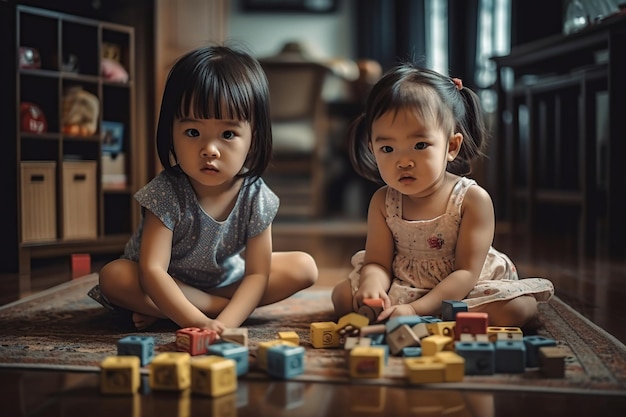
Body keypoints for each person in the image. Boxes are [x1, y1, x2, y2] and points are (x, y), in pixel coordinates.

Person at [90, 45, 318, 333]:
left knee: (304, 267)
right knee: (113, 276)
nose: (209, 150)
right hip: (160, 284)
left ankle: (167, 312)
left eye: (228, 134)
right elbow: (152, 272)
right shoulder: (167, 191)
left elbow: (257, 275)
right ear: (170, 131)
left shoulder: (255, 195)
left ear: (253, 137)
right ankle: (192, 307)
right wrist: (200, 322)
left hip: (223, 280)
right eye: (193, 132)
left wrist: (225, 325)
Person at [331, 62, 553, 327]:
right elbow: (377, 262)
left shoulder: (472, 200)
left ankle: (427, 318)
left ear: (451, 146)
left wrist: (415, 310)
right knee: (343, 296)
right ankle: (430, 320)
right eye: (388, 149)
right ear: (372, 148)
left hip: (464, 288)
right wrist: (371, 285)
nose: (403, 161)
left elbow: (466, 273)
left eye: (420, 145)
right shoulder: (383, 201)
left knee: (513, 311)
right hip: (407, 283)